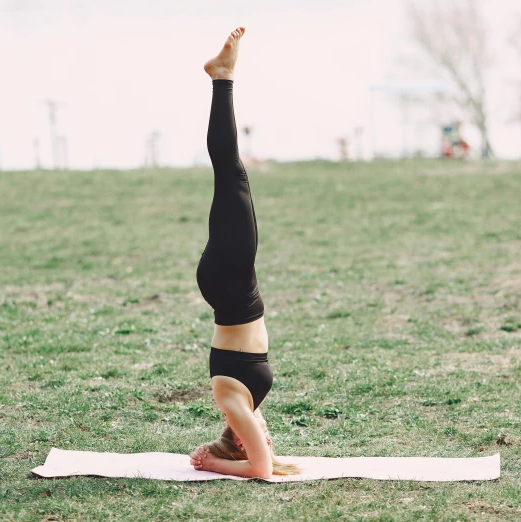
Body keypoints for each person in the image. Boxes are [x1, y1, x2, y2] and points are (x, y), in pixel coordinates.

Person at [188, 27, 299, 478]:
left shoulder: (235, 406)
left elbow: (261, 471)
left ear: (240, 440)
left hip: (232, 285)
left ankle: (222, 78)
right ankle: (222, 78)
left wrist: (213, 463)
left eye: (258, 438)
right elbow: (272, 463)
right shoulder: (242, 406)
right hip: (231, 287)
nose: (266, 437)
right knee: (231, 175)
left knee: (231, 172)